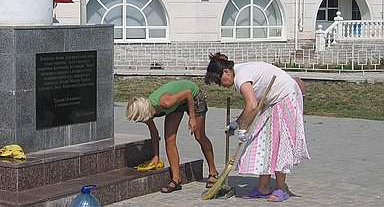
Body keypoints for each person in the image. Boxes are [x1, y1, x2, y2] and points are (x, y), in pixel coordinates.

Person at [205, 53, 310, 202]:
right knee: (265, 142)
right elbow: (252, 107)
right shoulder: (239, 74)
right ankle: (263, 188)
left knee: (280, 143)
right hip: (272, 101)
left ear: (226, 72)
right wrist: (237, 124)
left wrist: (243, 128)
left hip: (286, 95)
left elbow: (252, 106)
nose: (221, 86)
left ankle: (281, 188)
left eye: (219, 81)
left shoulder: (241, 77)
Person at [125, 80, 219, 193]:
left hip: (193, 96)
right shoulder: (147, 113)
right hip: (178, 103)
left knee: (199, 136)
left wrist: (192, 117)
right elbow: (154, 133)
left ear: (142, 113)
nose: (138, 121)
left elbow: (188, 93)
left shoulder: (165, 103)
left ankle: (213, 172)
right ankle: (176, 179)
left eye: (137, 118)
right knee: (169, 140)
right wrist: (156, 156)